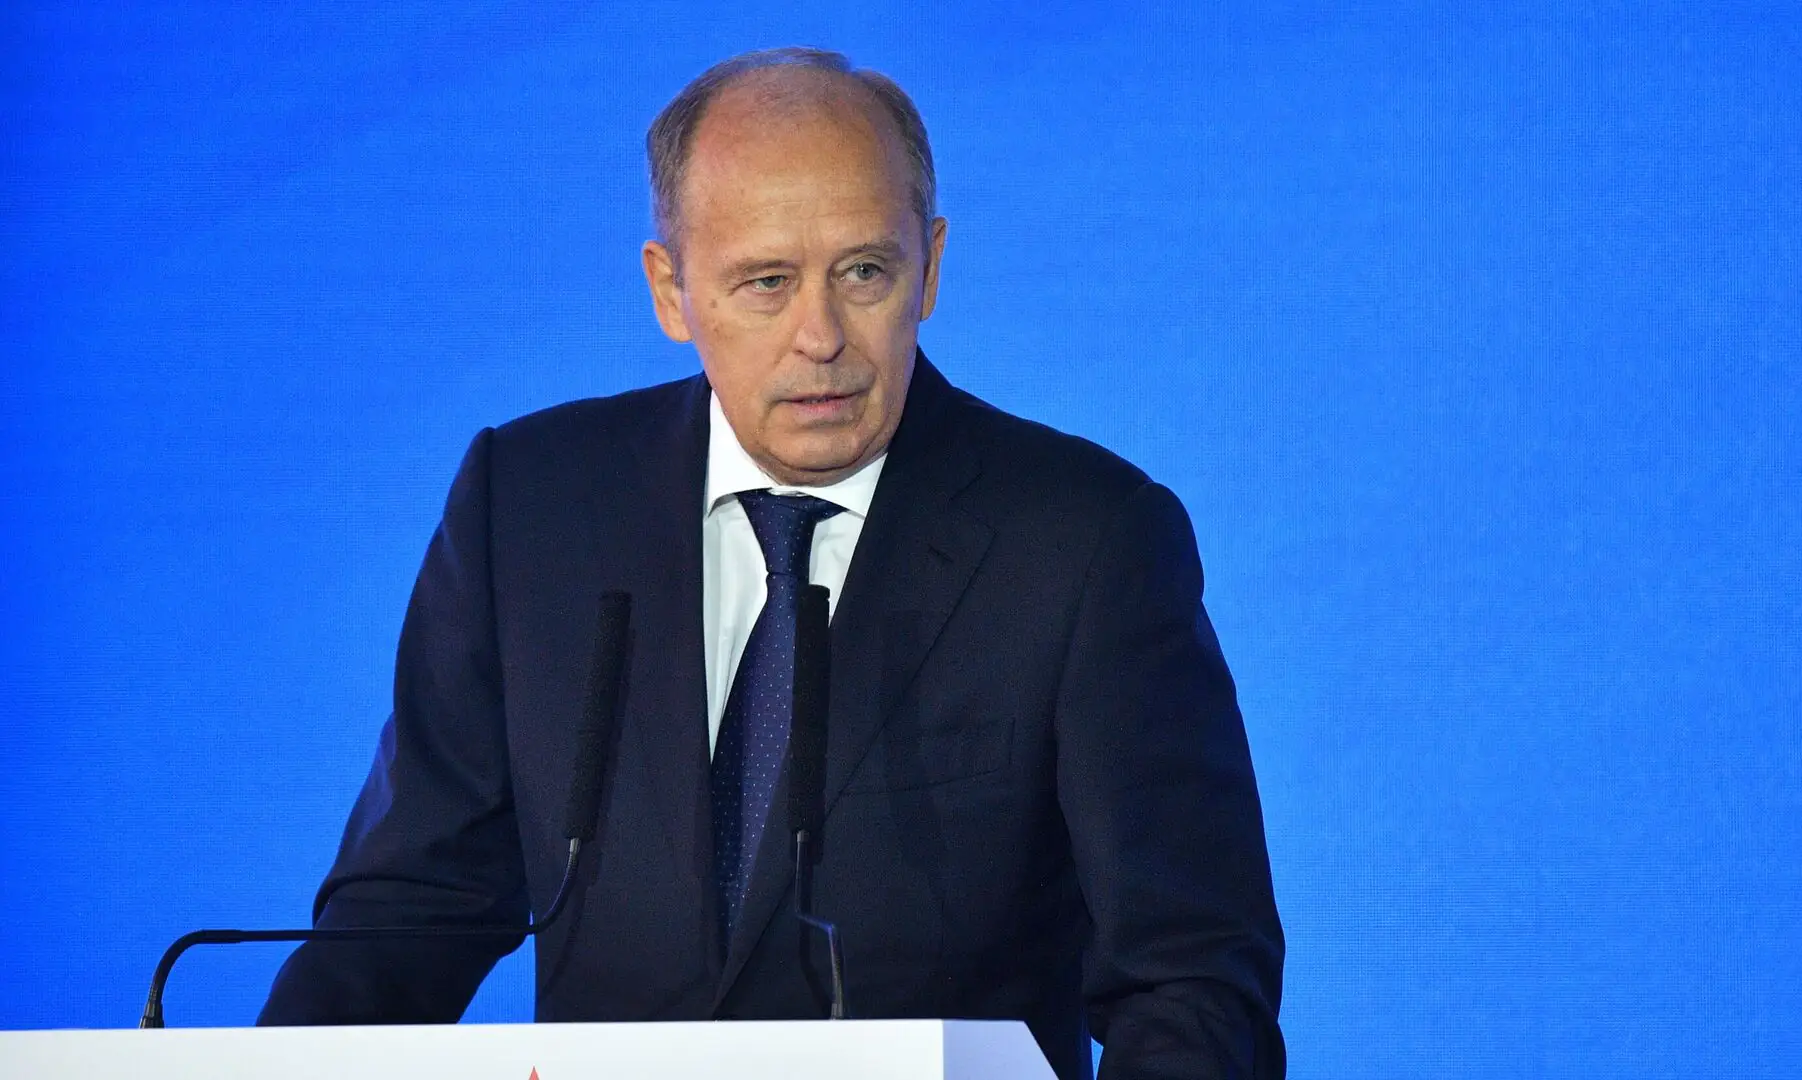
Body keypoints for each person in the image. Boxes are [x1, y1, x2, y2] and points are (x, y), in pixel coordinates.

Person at [259, 47, 1285, 1079]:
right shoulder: (529, 508)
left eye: (864, 272)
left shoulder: (1085, 541)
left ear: (930, 267)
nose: (821, 336)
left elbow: (1193, 979)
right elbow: (407, 915)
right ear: (670, 291)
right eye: (767, 282)